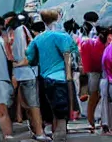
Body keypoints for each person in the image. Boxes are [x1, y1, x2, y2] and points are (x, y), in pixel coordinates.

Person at [26, 9, 78, 142]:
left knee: (52, 109)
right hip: (61, 78)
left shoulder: (38, 38)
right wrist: (69, 76)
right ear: (58, 18)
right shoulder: (63, 36)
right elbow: (69, 55)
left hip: (45, 78)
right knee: (61, 111)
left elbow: (30, 57)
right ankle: (60, 135)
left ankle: (56, 133)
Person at [10, 16, 47, 140]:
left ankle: (39, 132)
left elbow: (29, 54)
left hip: (26, 73)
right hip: (26, 73)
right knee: (30, 104)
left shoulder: (19, 31)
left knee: (32, 104)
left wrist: (17, 64)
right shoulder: (21, 31)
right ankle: (37, 131)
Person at [79, 25, 106, 132]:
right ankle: (92, 120)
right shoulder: (95, 43)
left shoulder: (89, 42)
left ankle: (93, 120)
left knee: (95, 97)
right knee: (94, 96)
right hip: (97, 72)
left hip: (95, 72)